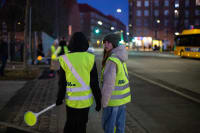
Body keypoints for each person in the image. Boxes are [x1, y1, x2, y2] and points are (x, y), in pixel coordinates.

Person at [56, 32, 101, 133]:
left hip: (71, 101)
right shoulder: (90, 58)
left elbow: (62, 83)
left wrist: (60, 98)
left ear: (71, 43)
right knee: (82, 126)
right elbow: (94, 83)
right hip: (85, 102)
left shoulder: (65, 59)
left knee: (70, 125)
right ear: (85, 43)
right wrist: (98, 101)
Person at [101, 33, 131, 133]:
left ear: (113, 44)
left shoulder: (112, 60)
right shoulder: (121, 58)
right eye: (104, 43)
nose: (105, 45)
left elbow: (108, 84)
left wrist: (104, 102)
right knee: (120, 127)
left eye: (107, 43)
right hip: (122, 100)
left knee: (108, 127)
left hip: (112, 101)